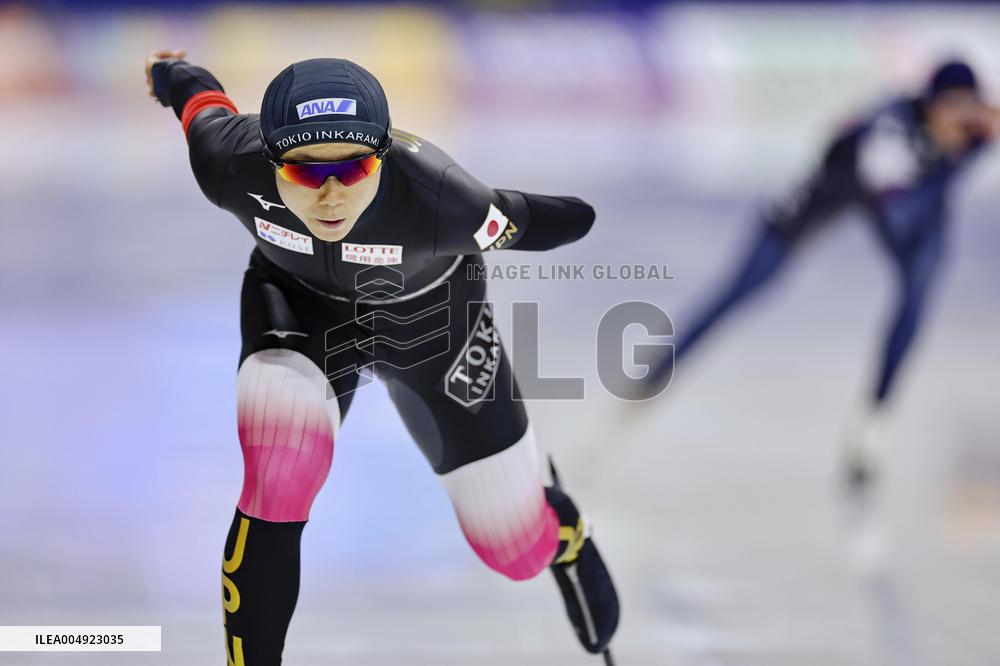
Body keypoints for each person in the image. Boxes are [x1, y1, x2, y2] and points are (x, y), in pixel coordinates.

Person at [146, 50, 619, 664]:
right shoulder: (225, 162)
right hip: (300, 309)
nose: (331, 195)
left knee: (514, 549)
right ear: (267, 161)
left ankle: (561, 529)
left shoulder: (446, 199)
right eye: (305, 173)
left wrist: (532, 219)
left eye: (353, 166)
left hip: (433, 326)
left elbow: (556, 221)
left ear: (384, 156)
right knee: (279, 471)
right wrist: (169, 72)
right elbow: (197, 98)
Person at [638, 60, 998, 491]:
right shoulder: (891, 135)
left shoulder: (976, 131)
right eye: (949, 107)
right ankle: (659, 370)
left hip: (906, 200)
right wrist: (944, 164)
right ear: (929, 104)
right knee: (741, 289)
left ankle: (873, 419)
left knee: (922, 280)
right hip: (840, 188)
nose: (957, 118)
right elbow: (896, 209)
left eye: (967, 107)